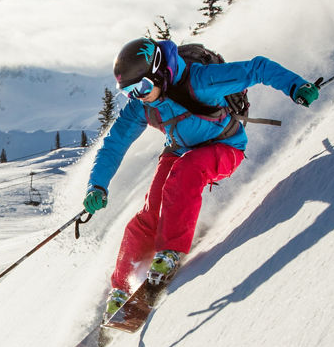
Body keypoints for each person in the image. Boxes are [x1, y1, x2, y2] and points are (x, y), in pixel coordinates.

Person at [83, 37, 320, 314]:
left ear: (159, 72)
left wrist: (295, 86)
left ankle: (169, 252)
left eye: (143, 87)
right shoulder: (142, 106)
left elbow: (257, 68)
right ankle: (120, 289)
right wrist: (96, 185)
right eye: (129, 92)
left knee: (187, 171)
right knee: (151, 210)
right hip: (180, 150)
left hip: (225, 146)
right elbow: (114, 144)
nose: (138, 95)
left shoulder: (202, 80)